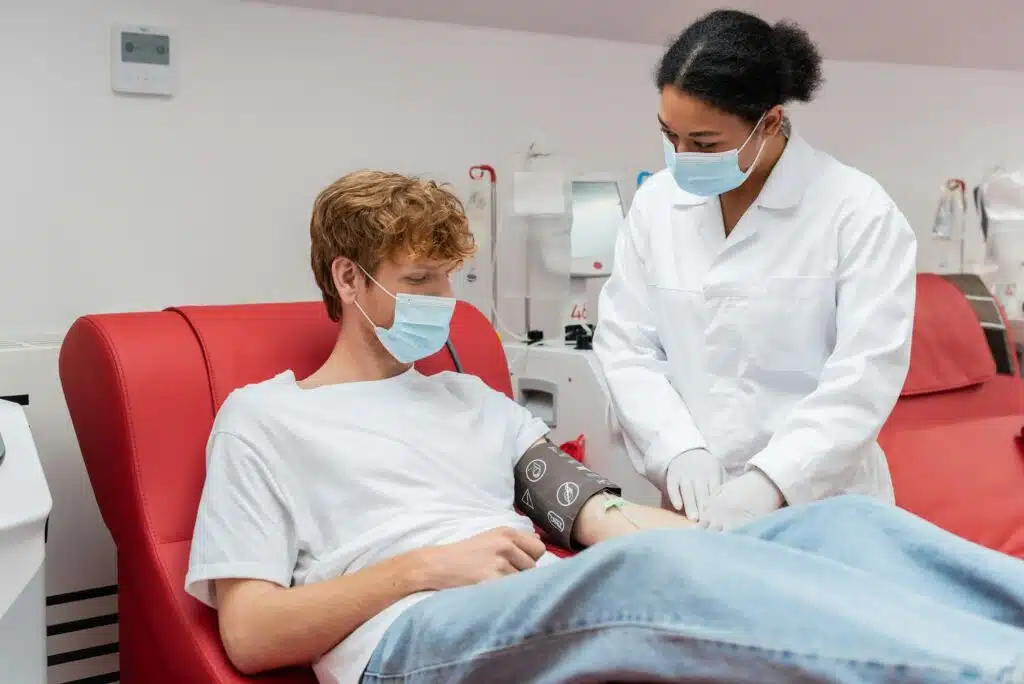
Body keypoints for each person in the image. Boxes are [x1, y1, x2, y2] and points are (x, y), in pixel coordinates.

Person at [183, 170, 1024, 684]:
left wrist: (735, 533)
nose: (444, 301)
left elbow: (593, 513)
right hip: (406, 644)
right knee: (643, 572)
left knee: (839, 522)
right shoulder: (264, 419)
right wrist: (423, 569)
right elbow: (252, 634)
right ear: (349, 278)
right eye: (419, 278)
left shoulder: (470, 402)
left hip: (520, 601)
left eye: (451, 278)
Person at [593, 10, 918, 530]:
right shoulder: (656, 205)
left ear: (769, 123)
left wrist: (772, 481)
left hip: (823, 507)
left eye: (703, 144)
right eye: (668, 135)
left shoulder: (856, 211)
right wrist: (677, 449)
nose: (680, 158)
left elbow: (863, 376)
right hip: (693, 504)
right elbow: (625, 347)